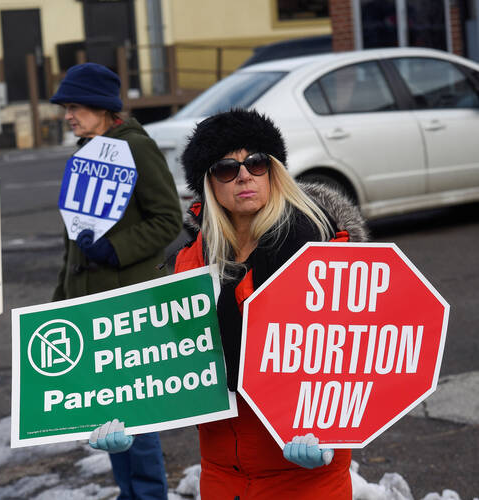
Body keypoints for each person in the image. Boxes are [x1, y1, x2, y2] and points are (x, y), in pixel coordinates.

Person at [90, 108, 369, 499]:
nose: (244, 175)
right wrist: (130, 416)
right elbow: (170, 358)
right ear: (208, 182)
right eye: (226, 167)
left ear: (273, 170)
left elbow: (354, 352)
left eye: (256, 162)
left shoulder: (319, 249)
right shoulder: (191, 260)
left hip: (305, 475)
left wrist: (330, 432)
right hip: (223, 476)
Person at [50, 63, 183, 500]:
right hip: (87, 306)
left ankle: (148, 495)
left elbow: (169, 219)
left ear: (103, 108)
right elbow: (74, 242)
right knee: (107, 418)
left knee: (136, 417)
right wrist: (60, 301)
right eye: (66, 107)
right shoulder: (85, 153)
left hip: (127, 307)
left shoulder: (136, 149)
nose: (68, 115)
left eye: (74, 106)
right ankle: (130, 493)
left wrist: (118, 248)